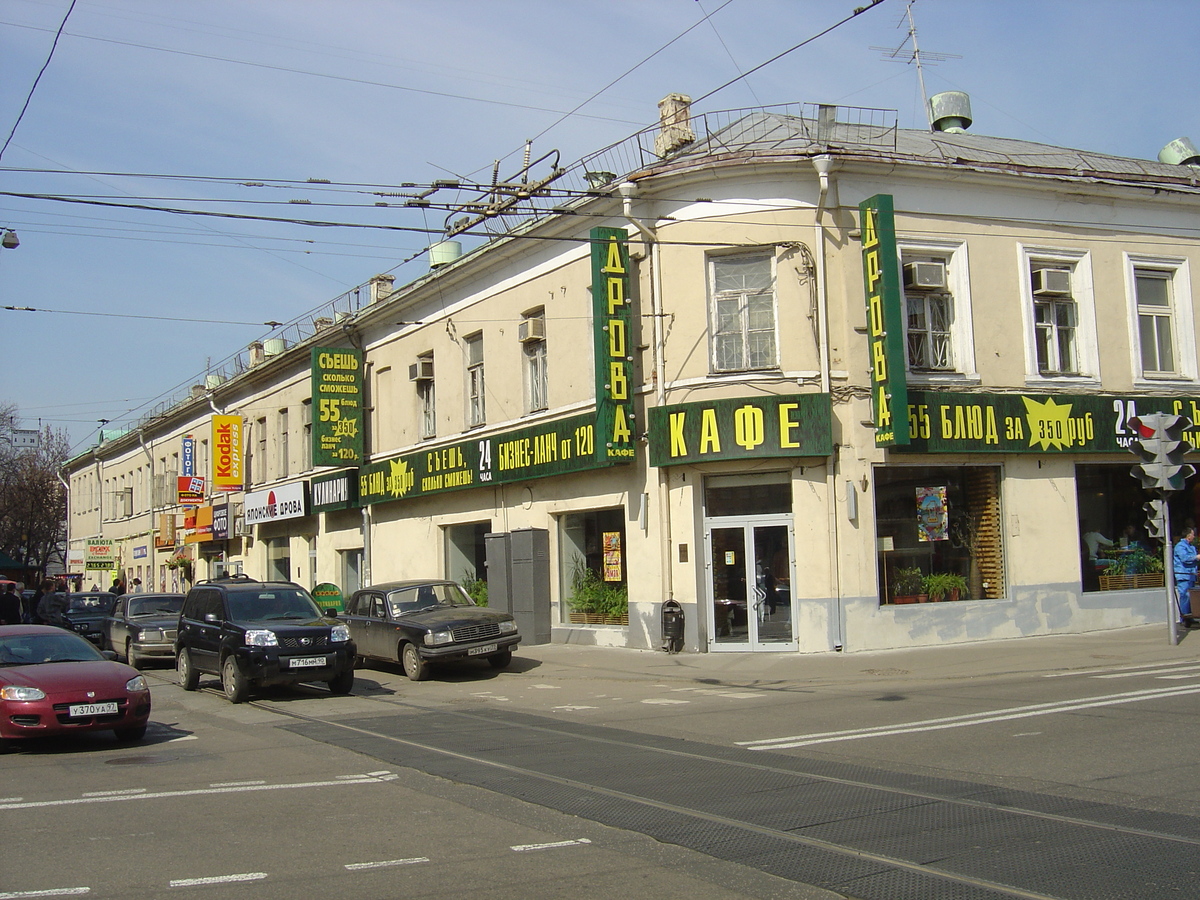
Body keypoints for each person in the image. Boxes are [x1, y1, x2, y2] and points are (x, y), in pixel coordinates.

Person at [1174, 526, 1199, 625]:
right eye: (1193, 534)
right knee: (1185, 595)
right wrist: (1196, 557)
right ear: (1188, 536)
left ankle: (1190, 616)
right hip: (1183, 575)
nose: (1194, 536)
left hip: (1191, 575)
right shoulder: (1180, 546)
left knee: (1191, 596)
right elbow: (1185, 558)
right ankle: (1184, 617)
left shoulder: (1191, 547)